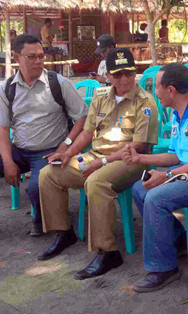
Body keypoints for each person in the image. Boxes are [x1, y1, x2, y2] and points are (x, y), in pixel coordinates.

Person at [37, 48, 159, 280]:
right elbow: (87, 131)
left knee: (96, 182)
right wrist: (68, 152)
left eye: (129, 73)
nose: (124, 79)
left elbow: (139, 146)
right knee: (49, 174)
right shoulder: (101, 96)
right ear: (107, 75)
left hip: (130, 161)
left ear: (135, 73)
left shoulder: (145, 102)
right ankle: (63, 232)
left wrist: (102, 162)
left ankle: (108, 251)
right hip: (95, 156)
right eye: (117, 74)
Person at [0, 34, 88, 247]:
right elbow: (1, 129)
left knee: (37, 184)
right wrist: (8, 162)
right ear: (17, 57)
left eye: (41, 56)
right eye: (31, 57)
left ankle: (42, 218)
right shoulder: (7, 87)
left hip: (50, 150)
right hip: (20, 148)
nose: (38, 61)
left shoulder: (58, 83)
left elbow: (82, 117)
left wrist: (66, 144)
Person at [122, 63, 188, 293]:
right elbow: (173, 156)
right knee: (139, 189)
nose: (155, 93)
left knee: (155, 197)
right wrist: (139, 158)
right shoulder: (177, 114)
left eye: (157, 87)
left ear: (170, 90)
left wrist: (167, 177)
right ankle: (178, 240)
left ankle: (163, 269)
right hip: (187, 172)